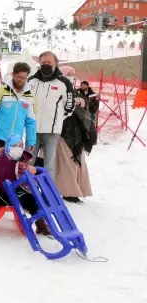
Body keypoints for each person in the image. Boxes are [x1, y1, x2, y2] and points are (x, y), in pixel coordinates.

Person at [0, 134, 52, 239]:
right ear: (8, 145)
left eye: (21, 145)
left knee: (32, 201)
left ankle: (41, 227)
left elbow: (29, 180)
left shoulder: (23, 161)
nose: (18, 148)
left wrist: (33, 171)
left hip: (16, 194)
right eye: (15, 145)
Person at [28, 51, 75, 181]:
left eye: (49, 62)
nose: (46, 64)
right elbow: (25, 101)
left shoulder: (64, 82)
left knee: (49, 164)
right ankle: (26, 191)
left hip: (52, 130)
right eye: (43, 62)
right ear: (39, 63)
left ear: (56, 64)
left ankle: (48, 194)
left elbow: (69, 105)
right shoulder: (31, 80)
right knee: (27, 161)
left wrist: (58, 118)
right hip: (32, 128)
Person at [54, 68, 94, 204]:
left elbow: (88, 106)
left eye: (73, 75)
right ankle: (68, 192)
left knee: (78, 163)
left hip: (77, 134)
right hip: (63, 132)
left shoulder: (75, 91)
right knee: (67, 164)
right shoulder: (57, 89)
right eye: (69, 75)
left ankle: (76, 190)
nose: (71, 77)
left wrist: (83, 102)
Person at [0, 62, 36, 149]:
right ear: (13, 74)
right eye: (19, 77)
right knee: (1, 162)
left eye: (24, 78)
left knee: (13, 162)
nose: (21, 80)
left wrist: (31, 141)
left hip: (17, 139)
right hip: (0, 137)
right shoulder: (1, 91)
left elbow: (30, 120)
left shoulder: (29, 95)